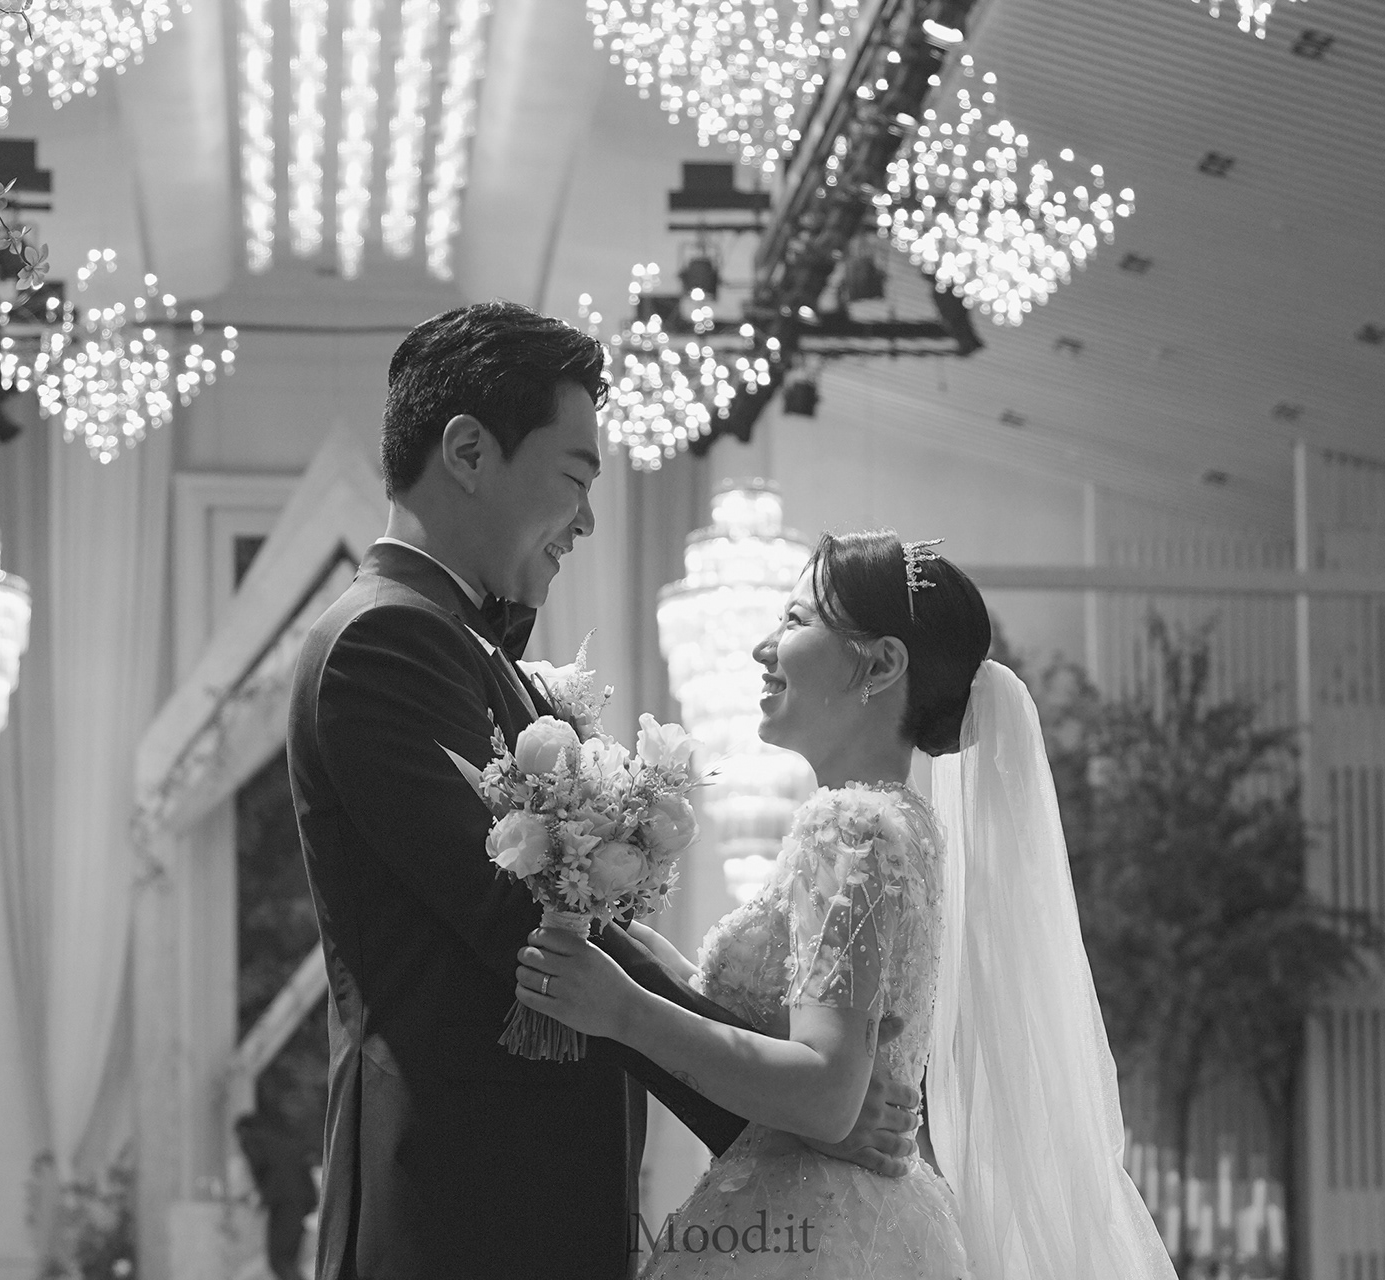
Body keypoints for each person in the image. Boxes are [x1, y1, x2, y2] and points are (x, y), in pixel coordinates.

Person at [285, 302, 923, 1280]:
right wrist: (792, 1106)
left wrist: (797, 1086)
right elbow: (521, 918)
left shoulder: (463, 646)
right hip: (454, 1210)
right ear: (468, 450)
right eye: (577, 477)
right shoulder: (386, 641)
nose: (587, 519)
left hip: (516, 1207)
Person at [518, 531, 1178, 1278]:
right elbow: (798, 1041)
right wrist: (622, 932)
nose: (764, 647)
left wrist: (625, 1013)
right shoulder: (903, 823)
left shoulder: (851, 827)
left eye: (796, 621)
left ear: (882, 664)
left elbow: (827, 1095)